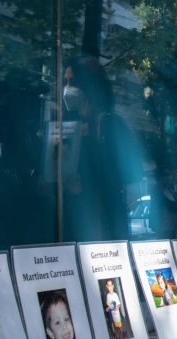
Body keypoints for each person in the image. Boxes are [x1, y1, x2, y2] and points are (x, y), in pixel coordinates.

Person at [59, 56, 143, 242]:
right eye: (65, 82)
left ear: (89, 84)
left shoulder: (110, 125)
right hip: (74, 223)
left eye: (73, 82)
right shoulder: (67, 126)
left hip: (102, 224)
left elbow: (126, 176)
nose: (67, 88)